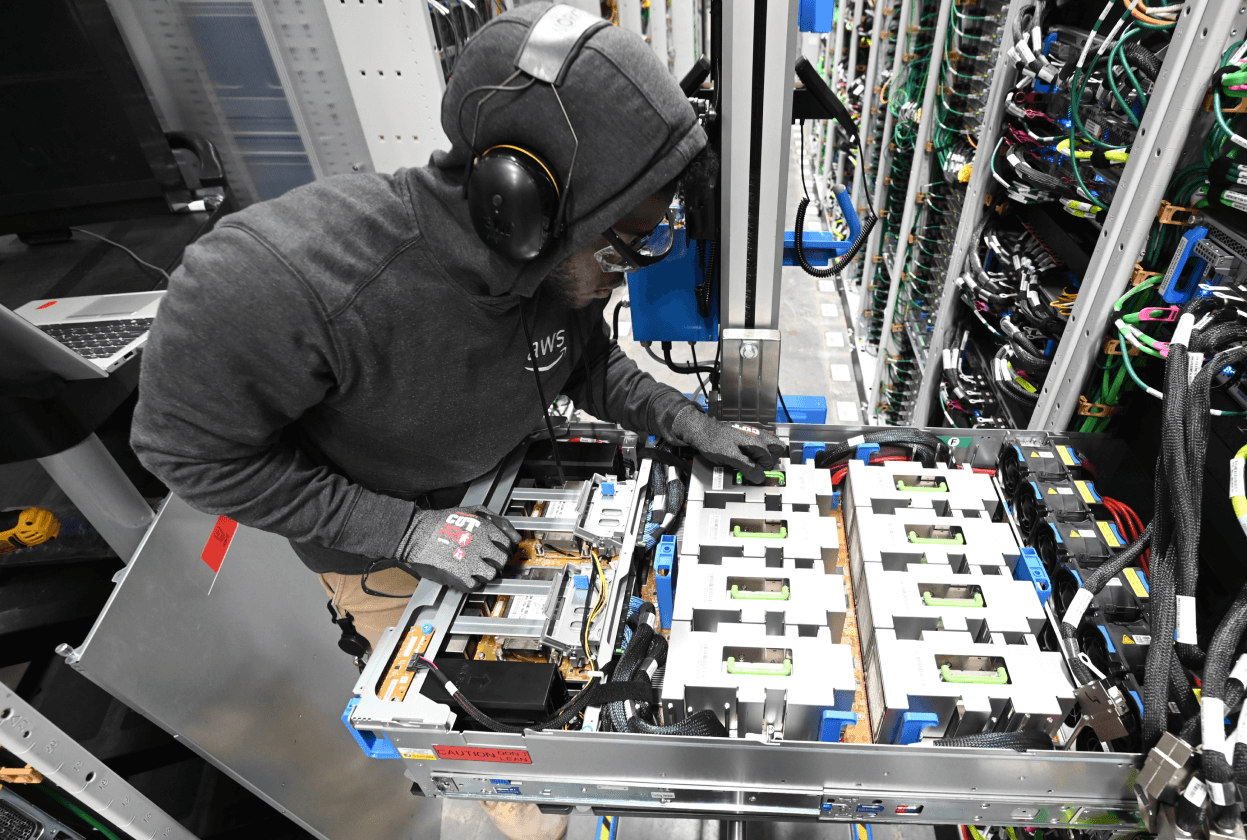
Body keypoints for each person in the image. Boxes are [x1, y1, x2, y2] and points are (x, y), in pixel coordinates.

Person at [130, 5, 781, 838]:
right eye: (622, 241)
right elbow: (189, 457)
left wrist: (676, 415)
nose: (625, 270)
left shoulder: (547, 263)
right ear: (517, 203)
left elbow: (577, 359)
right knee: (518, 770)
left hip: (501, 494)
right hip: (385, 553)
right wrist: (401, 530)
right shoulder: (279, 281)